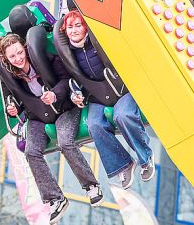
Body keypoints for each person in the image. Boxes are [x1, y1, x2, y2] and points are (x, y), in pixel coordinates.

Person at [0, 33, 102, 222]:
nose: (18, 58)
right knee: (31, 151)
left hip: (63, 109)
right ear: (7, 59)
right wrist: (13, 108)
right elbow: (13, 100)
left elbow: (66, 81)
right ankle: (55, 198)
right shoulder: (9, 78)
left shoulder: (46, 60)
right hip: (37, 116)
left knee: (65, 142)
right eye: (12, 57)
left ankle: (91, 185)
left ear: (25, 49)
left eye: (20, 52)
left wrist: (54, 95)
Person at [57, 10, 155, 189]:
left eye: (78, 25)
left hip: (120, 88)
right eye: (70, 27)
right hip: (97, 95)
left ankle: (145, 157)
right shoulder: (68, 54)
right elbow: (72, 80)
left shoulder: (98, 40)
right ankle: (123, 164)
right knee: (94, 125)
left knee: (123, 115)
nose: (74, 30)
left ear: (86, 27)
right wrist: (75, 94)